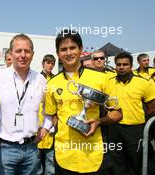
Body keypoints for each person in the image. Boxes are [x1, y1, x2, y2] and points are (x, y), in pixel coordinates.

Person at [44, 29, 123, 174]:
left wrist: (99, 121)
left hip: (94, 154)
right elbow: (52, 114)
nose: (68, 53)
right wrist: (65, 128)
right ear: (58, 54)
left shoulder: (101, 78)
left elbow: (118, 114)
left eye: (73, 48)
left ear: (81, 49)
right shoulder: (51, 84)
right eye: (63, 49)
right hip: (64, 155)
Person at [0, 33, 52, 175]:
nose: (23, 55)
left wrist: (45, 129)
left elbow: (49, 110)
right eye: (18, 51)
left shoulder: (41, 80)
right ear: (10, 53)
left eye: (27, 51)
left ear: (33, 55)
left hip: (31, 149)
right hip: (3, 150)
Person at [107, 52, 155, 175]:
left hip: (135, 130)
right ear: (115, 66)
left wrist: (141, 121)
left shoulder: (144, 83)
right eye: (119, 64)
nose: (121, 67)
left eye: (125, 64)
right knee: (117, 162)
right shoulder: (108, 82)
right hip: (114, 129)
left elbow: (152, 107)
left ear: (131, 66)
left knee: (136, 163)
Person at [37, 54, 56, 175]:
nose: (50, 65)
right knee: (36, 161)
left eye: (52, 63)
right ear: (43, 63)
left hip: (50, 124)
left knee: (50, 161)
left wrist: (54, 125)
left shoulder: (56, 79)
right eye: (48, 62)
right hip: (36, 125)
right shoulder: (36, 78)